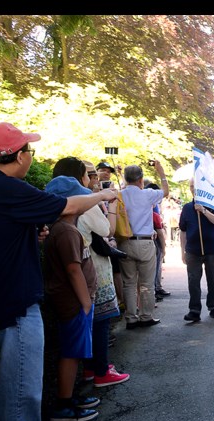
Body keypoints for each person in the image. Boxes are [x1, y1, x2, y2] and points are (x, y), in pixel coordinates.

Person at [0, 122, 116, 421]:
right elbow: (68, 205)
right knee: (19, 386)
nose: (31, 156)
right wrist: (102, 196)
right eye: (28, 150)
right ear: (15, 156)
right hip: (14, 305)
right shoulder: (5, 188)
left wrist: (30, 229)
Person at [51, 158, 129, 389]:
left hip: (75, 272)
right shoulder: (83, 202)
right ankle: (100, 371)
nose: (93, 179)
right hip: (92, 270)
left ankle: (90, 370)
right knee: (100, 321)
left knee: (87, 328)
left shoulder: (55, 204)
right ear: (79, 178)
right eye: (90, 175)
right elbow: (106, 229)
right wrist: (110, 204)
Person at [42, 173, 101, 421]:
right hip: (74, 303)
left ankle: (70, 397)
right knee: (71, 352)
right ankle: (64, 404)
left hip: (74, 302)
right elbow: (73, 269)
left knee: (74, 352)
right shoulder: (65, 232)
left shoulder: (64, 229)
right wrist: (86, 302)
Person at [116, 162, 167, 329]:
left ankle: (130, 318)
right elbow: (165, 192)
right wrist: (161, 173)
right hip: (145, 242)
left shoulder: (119, 195)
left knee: (129, 283)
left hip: (124, 242)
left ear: (125, 179)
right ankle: (146, 316)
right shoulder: (148, 194)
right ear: (141, 179)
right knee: (146, 283)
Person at [178, 180, 214, 322]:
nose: (193, 189)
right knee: (193, 281)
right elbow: (183, 231)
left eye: (196, 187)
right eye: (191, 187)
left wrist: (203, 210)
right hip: (193, 250)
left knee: (212, 280)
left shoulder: (213, 205)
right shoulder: (186, 208)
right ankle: (194, 310)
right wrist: (183, 250)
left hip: (212, 250)